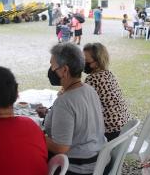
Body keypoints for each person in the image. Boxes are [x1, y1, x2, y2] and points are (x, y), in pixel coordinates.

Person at [44, 43, 106, 175]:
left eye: (52, 65)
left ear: (64, 70)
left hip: (77, 168)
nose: (51, 70)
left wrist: (38, 135)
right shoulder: (89, 90)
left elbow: (61, 148)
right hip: (97, 161)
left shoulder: (65, 101)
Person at [83, 43, 132, 141]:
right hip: (126, 128)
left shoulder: (92, 79)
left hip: (111, 132)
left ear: (97, 62)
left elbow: (83, 109)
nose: (83, 63)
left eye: (86, 61)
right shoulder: (109, 74)